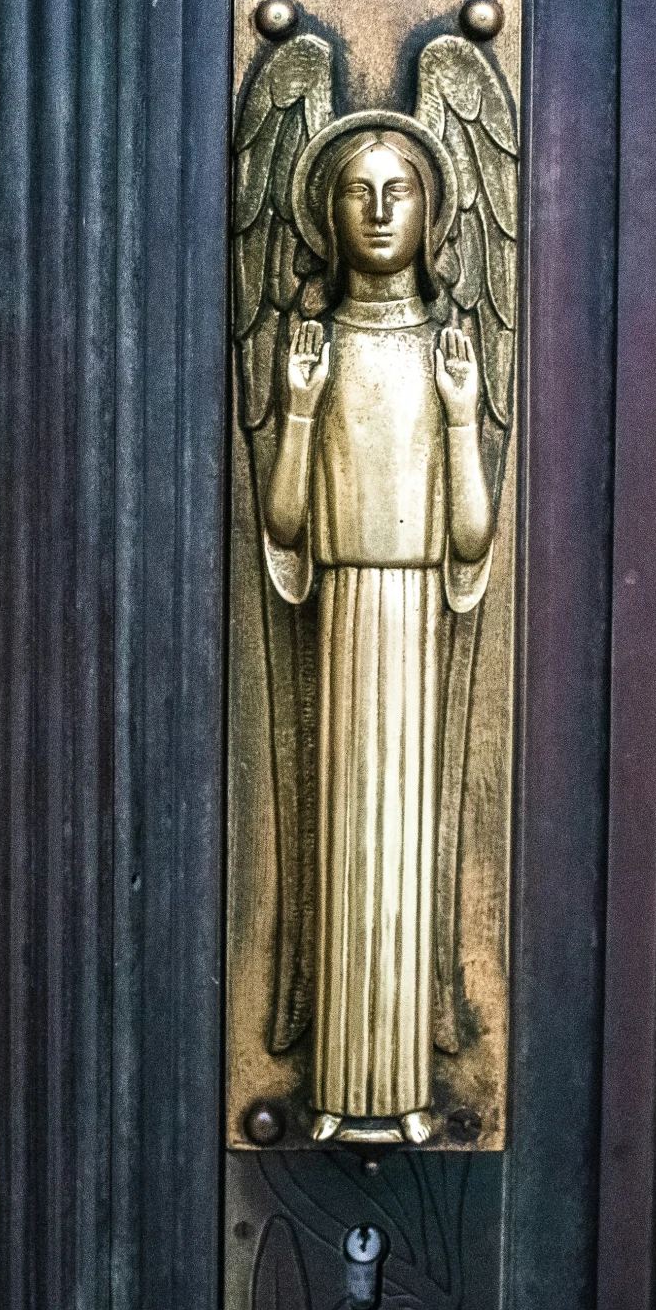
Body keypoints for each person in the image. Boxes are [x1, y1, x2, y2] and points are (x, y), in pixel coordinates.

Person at [261, 131, 494, 1143]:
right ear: (328, 215)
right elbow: (281, 524)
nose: (382, 209)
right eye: (358, 193)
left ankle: (400, 1089)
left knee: (400, 849)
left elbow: (473, 534)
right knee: (349, 848)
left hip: (409, 625)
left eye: (401, 190)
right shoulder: (320, 351)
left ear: (433, 212)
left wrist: (459, 415)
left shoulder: (448, 353)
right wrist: (301, 409)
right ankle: (337, 1090)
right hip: (346, 617)